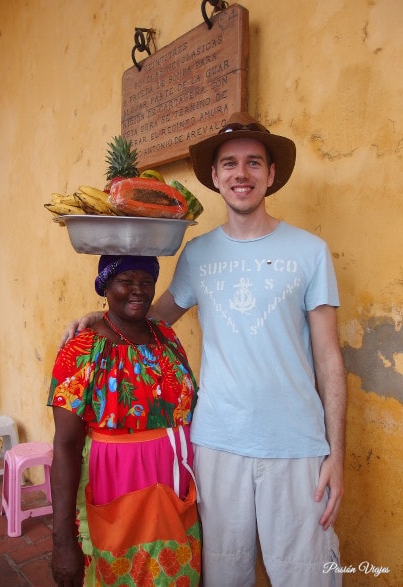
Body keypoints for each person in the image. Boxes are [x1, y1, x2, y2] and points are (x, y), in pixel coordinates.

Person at [62, 112, 347, 587]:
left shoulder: (309, 252)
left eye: (254, 163)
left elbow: (329, 360)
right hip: (215, 448)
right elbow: (152, 320)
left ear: (271, 175)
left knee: (308, 578)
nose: (242, 174)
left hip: (297, 448)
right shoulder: (197, 253)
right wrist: (102, 319)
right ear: (214, 177)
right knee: (222, 576)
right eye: (230, 164)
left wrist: (336, 456)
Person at [48, 255, 201, 587]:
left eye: (146, 282)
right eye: (125, 282)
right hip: (116, 485)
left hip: (174, 485)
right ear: (105, 286)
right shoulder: (83, 347)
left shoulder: (165, 337)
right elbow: (65, 445)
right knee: (118, 575)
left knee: (173, 576)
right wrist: (62, 540)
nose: (138, 291)